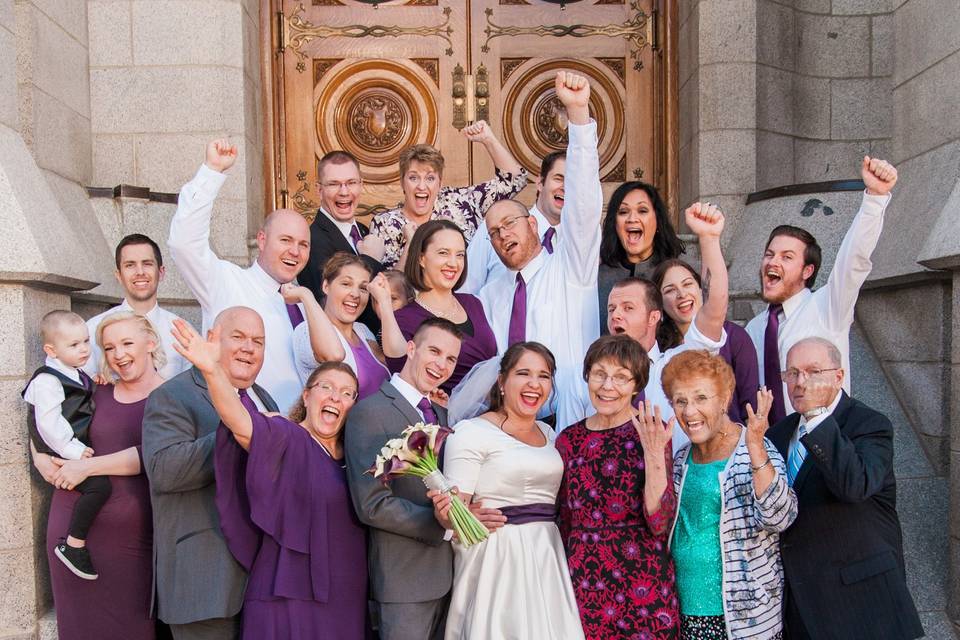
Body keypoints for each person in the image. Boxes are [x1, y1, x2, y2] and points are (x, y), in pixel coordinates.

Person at [170, 319, 369, 639]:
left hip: (345, 598)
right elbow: (240, 423)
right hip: (287, 596)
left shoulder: (356, 456)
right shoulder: (285, 436)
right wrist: (212, 371)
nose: (335, 397)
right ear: (306, 396)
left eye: (347, 393)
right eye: (327, 388)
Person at [767, 337, 922, 640]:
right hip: (801, 609)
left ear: (838, 376)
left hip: (862, 607)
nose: (801, 382)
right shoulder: (777, 433)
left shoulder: (870, 424)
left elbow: (854, 485)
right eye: (793, 373)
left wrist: (815, 417)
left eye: (813, 372)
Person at [142, 307, 280, 639]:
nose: (249, 347)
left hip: (263, 583)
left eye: (258, 342)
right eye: (238, 337)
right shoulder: (172, 396)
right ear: (212, 340)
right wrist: (238, 431)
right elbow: (164, 471)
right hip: (203, 582)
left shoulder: (264, 399)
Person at [476, 71, 601, 430]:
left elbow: (584, 206)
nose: (503, 235)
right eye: (494, 232)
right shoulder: (491, 293)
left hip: (568, 423)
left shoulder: (570, 268)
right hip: (506, 429)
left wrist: (578, 115)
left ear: (532, 223)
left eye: (510, 224)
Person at [435, 342, 585, 640]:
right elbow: (451, 514)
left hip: (546, 554)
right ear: (502, 381)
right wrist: (453, 516)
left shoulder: (550, 434)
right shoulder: (471, 432)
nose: (534, 384)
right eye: (524, 373)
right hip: (497, 556)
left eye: (544, 376)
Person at [33, 312, 167, 639]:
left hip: (134, 542)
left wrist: (88, 466)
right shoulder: (94, 392)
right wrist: (39, 459)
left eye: (126, 343)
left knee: (132, 627)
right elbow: (43, 419)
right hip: (72, 536)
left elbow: (151, 454)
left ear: (150, 343)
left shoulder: (172, 397)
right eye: (108, 348)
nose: (118, 354)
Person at [745, 156, 898, 423]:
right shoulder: (755, 329)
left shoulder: (828, 307)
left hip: (822, 447)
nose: (773, 261)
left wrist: (875, 197)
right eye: (769, 254)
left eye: (786, 257)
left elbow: (854, 260)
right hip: (771, 451)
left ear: (807, 271)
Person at [168, 139, 311, 412]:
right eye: (285, 240)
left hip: (298, 437)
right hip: (245, 430)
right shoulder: (226, 282)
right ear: (261, 239)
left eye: (303, 245)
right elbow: (184, 243)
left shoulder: (304, 304)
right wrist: (212, 171)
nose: (295, 251)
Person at [344, 317, 464, 640]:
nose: (441, 364)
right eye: (434, 351)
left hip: (449, 578)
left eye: (450, 358)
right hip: (403, 581)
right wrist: (441, 525)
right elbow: (372, 504)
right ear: (411, 348)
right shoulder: (370, 412)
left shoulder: (440, 415)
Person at [663, 350, 796, 639]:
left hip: (744, 617)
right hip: (684, 610)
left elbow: (780, 517)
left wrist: (757, 447)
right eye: (680, 401)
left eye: (701, 398)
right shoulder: (680, 457)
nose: (689, 411)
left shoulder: (754, 449)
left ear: (723, 400)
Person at [556, 335, 679, 639]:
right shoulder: (568, 440)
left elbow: (660, 521)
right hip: (586, 581)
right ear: (587, 376)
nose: (607, 386)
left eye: (621, 377)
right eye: (599, 374)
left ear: (637, 385)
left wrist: (653, 454)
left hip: (643, 579)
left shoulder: (652, 431)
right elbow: (564, 522)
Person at [606, 203, 729, 450]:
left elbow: (714, 307)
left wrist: (708, 238)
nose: (616, 315)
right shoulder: (593, 379)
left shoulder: (680, 363)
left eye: (628, 308)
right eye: (611, 309)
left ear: (654, 317)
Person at [370, 120, 528, 269]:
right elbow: (391, 286)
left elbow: (515, 180)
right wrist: (411, 244)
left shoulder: (460, 202)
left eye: (430, 178)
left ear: (440, 183)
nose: (421, 186)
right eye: (413, 177)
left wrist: (488, 139)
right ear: (402, 182)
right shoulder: (385, 224)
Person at [23, 311, 108, 579]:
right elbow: (48, 425)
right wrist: (74, 451)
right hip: (59, 452)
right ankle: (73, 545)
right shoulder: (47, 380)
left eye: (85, 341)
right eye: (74, 345)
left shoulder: (75, 372)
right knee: (99, 486)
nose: (83, 349)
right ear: (52, 350)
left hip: (71, 449)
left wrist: (97, 384)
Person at [378, 220, 497, 393]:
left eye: (460, 255)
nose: (453, 263)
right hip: (444, 414)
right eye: (443, 253)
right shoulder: (404, 319)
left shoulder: (473, 303)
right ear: (421, 258)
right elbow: (401, 372)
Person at [653, 258, 759, 422]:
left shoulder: (734, 336)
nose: (682, 294)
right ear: (660, 304)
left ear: (701, 288)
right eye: (670, 290)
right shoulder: (659, 348)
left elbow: (750, 405)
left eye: (687, 284)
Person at [298, 149, 386, 332]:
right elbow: (330, 305)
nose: (344, 192)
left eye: (351, 183)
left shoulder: (363, 230)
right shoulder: (311, 240)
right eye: (334, 184)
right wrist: (371, 260)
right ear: (319, 190)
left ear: (361, 185)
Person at [84, 233, 189, 380]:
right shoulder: (93, 328)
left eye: (147, 264)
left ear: (161, 272)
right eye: (130, 265)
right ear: (119, 275)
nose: (140, 272)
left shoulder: (182, 332)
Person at [286, 252, 389, 400]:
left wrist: (385, 306)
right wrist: (306, 295)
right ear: (326, 286)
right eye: (346, 284)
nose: (355, 294)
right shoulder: (306, 331)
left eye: (363, 288)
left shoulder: (363, 331)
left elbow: (397, 363)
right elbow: (334, 355)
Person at [461, 150, 566, 294]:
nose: (566, 187)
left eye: (573, 182)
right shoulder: (494, 230)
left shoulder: (576, 246)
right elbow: (466, 292)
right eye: (559, 179)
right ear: (540, 183)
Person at [597, 181, 685, 331]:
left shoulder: (675, 273)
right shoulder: (598, 275)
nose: (632, 218)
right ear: (614, 223)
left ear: (657, 220)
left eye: (642, 211)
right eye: (623, 212)